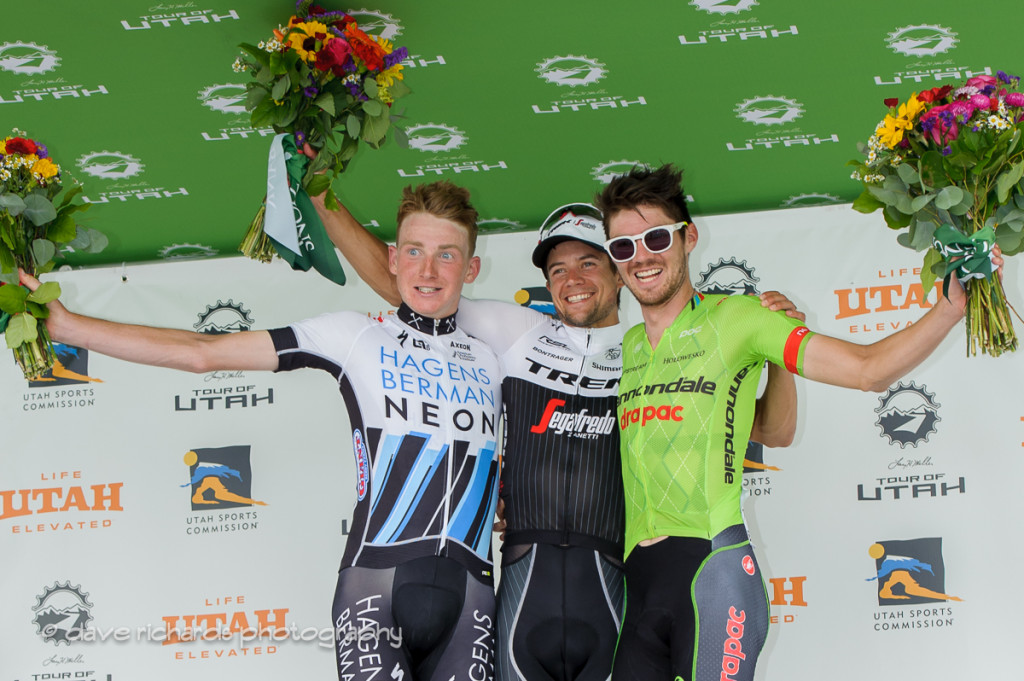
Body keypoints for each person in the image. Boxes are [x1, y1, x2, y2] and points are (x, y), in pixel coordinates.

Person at [21, 181, 503, 681]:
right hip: (374, 586)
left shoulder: (495, 355)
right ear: (393, 259)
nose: (428, 270)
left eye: (446, 256)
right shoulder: (355, 337)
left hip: (471, 599)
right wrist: (72, 330)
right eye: (414, 252)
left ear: (471, 268)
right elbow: (201, 352)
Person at [310, 195, 804, 681]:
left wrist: (781, 354)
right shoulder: (516, 333)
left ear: (619, 271)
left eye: (590, 262)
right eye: (558, 269)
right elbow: (412, 287)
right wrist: (321, 197)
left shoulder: (651, 352)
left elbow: (773, 431)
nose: (574, 281)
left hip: (611, 590)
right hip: (526, 585)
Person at [595, 163, 995, 681]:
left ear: (688, 237)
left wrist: (948, 308)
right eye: (622, 247)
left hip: (712, 571)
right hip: (640, 582)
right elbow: (771, 431)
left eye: (654, 238)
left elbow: (868, 370)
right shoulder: (627, 349)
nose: (641, 257)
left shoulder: (739, 319)